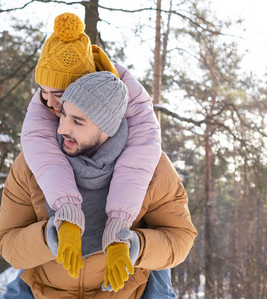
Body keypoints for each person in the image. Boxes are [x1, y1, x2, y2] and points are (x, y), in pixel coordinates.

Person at [0, 71, 197, 298]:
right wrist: (50, 236)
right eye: (64, 116)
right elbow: (6, 239)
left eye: (78, 122)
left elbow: (180, 236)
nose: (62, 129)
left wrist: (135, 246)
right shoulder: (31, 163)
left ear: (108, 129)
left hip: (126, 292)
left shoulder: (153, 167)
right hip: (46, 291)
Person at [21, 12, 162, 284]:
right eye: (41, 91)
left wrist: (120, 226)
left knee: (159, 283)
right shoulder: (46, 99)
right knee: (21, 285)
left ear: (79, 89)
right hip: (54, 272)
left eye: (59, 96)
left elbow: (138, 159)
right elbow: (43, 153)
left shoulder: (129, 94)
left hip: (128, 245)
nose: (48, 103)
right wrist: (68, 212)